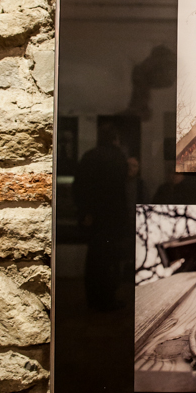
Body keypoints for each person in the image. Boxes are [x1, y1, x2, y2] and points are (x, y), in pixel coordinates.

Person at [74, 124, 128, 311]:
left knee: (94, 259)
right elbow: (120, 190)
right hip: (113, 218)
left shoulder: (89, 156)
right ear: (116, 139)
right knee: (110, 259)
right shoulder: (118, 157)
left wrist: (86, 212)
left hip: (94, 218)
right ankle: (108, 299)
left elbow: (79, 188)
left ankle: (94, 300)